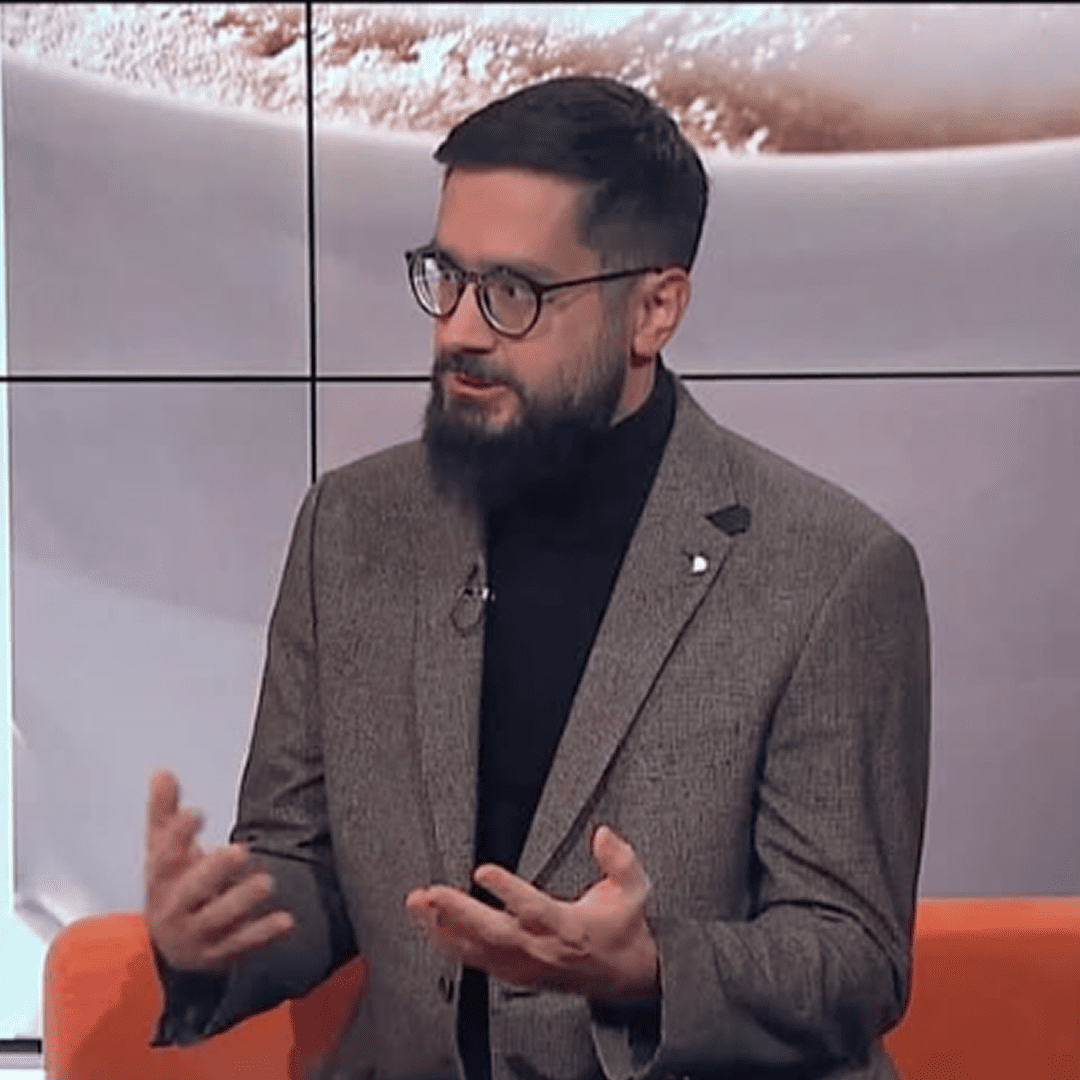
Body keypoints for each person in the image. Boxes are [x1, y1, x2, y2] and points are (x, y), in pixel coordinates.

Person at [144, 75, 930, 1080]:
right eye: (447, 277)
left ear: (654, 309)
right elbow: (308, 862)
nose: (461, 330)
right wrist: (218, 933)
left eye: (514, 293)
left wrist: (648, 968)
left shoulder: (829, 572)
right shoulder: (353, 527)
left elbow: (852, 958)